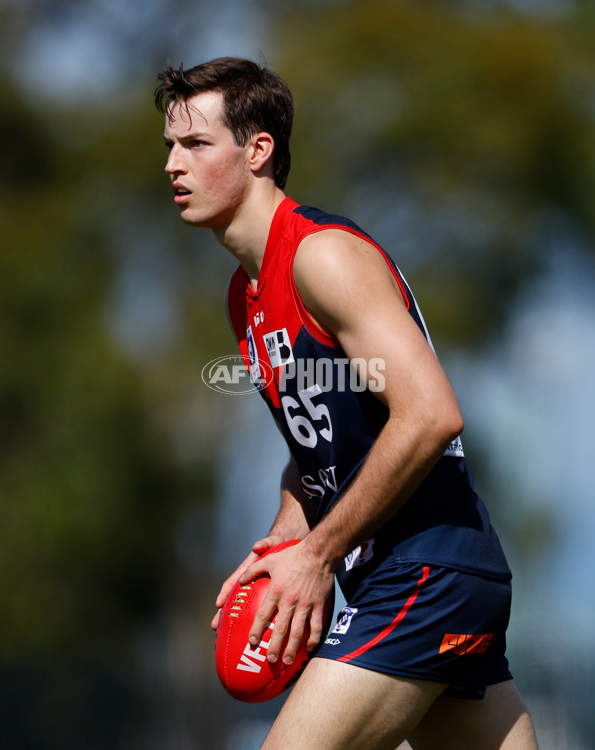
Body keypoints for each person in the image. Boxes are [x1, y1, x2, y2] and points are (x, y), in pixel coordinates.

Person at [155, 57, 539, 750]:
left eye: (195, 144)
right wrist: (283, 541)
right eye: (169, 147)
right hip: (414, 572)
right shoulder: (245, 296)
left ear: (259, 150)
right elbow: (320, 454)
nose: (173, 165)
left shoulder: (321, 257)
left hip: (425, 568)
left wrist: (319, 555)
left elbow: (430, 416)